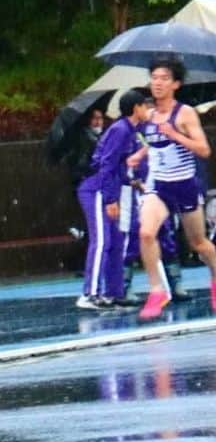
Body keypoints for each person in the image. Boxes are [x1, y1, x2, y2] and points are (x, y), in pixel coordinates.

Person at [136, 55, 216, 319]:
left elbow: (204, 150)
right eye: (154, 78)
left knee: (199, 244)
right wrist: (141, 154)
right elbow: (155, 144)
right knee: (146, 233)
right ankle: (157, 290)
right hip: (159, 186)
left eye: (164, 79)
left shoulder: (184, 113)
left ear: (176, 84)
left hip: (185, 185)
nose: (157, 83)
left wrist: (175, 135)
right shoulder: (148, 115)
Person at [75, 89, 151, 308]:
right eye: (145, 106)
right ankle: (90, 293)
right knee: (102, 241)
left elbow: (120, 165)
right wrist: (110, 199)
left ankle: (114, 291)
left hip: (111, 189)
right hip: (97, 189)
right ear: (136, 108)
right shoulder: (120, 130)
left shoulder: (131, 130)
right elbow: (107, 165)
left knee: (117, 241)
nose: (148, 110)